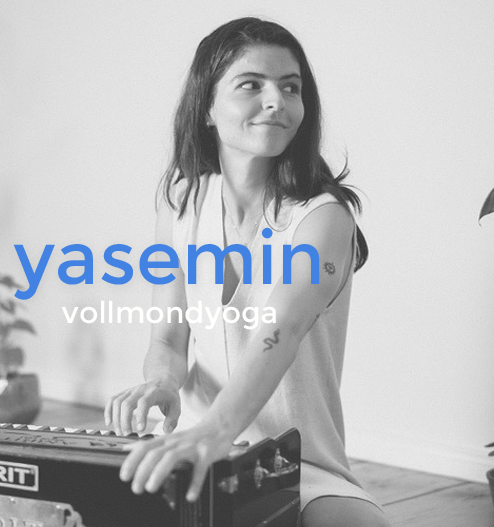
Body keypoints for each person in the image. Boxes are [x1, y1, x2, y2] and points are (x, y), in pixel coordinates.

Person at [104, 17, 390, 527]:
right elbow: (169, 337)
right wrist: (164, 386)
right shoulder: (182, 200)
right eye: (250, 85)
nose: (276, 100)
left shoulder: (323, 217)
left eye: (290, 87)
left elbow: (279, 332)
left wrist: (216, 431)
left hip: (295, 464)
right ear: (208, 107)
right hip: (193, 446)